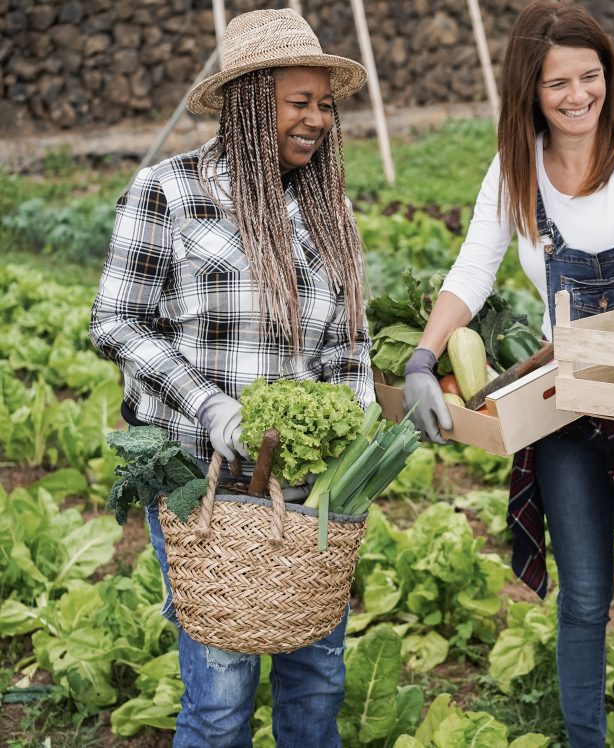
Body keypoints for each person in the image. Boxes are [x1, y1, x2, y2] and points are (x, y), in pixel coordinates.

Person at [401, 2, 614, 745]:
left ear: (610, 76)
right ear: (530, 90)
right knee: (582, 595)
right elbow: (473, 268)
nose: (579, 95)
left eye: (591, 76)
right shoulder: (517, 172)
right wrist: (423, 358)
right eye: (558, 83)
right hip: (564, 404)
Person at [89, 9, 373, 746]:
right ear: (251, 102)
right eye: (298, 102)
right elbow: (116, 322)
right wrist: (211, 408)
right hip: (202, 484)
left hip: (308, 494)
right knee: (218, 700)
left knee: (318, 685)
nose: (317, 120)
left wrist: (357, 429)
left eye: (324, 104)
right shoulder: (169, 192)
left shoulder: (329, 207)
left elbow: (349, 349)